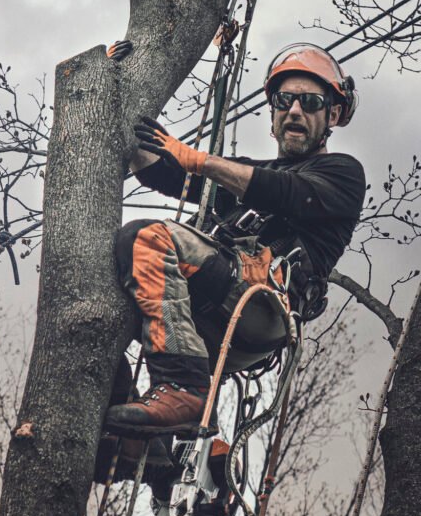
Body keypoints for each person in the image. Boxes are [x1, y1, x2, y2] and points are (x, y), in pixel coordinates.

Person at [103, 42, 366, 438]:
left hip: (261, 307)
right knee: (102, 288)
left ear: (332, 114)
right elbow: (161, 172)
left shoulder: (342, 174)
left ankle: (184, 390)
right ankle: (143, 450)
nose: (295, 110)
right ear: (274, 112)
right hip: (212, 301)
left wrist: (201, 160)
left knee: (147, 238)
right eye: (285, 100)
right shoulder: (245, 173)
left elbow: (285, 192)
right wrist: (111, 91)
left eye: (310, 102)